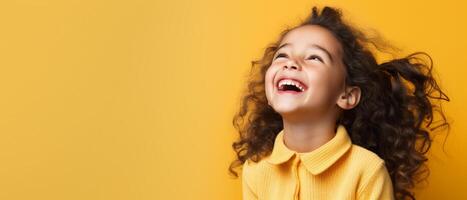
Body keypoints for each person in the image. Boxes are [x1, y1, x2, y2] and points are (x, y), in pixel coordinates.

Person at [228, 5, 450, 200]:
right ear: (270, 93)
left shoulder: (366, 171)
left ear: (347, 96)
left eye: (314, 57)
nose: (291, 63)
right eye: (282, 56)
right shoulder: (255, 170)